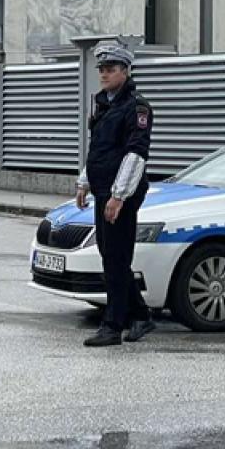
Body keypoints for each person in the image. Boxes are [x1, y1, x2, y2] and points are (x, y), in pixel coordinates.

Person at [75, 41, 156, 347]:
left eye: (110, 69)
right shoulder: (105, 104)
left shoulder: (136, 107)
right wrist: (85, 182)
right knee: (110, 254)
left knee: (116, 258)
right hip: (103, 189)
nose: (103, 74)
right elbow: (98, 149)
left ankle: (112, 325)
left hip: (122, 194)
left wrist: (118, 196)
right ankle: (141, 315)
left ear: (125, 71)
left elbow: (136, 154)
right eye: (102, 69)